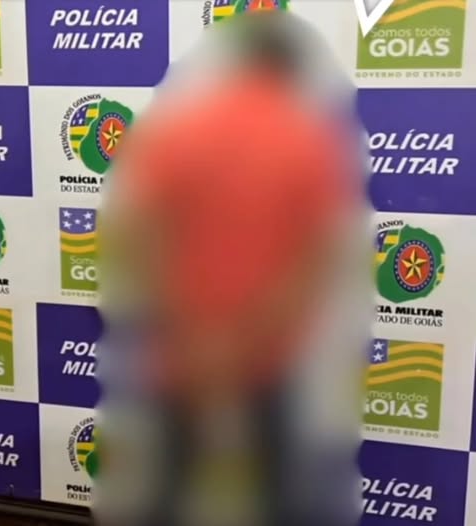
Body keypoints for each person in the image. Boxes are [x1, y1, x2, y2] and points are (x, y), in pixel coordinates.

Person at [94, 9, 372, 526]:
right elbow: (317, 257)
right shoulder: (310, 140)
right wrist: (245, 339)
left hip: (182, 346)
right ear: (290, 70)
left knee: (165, 485)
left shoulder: (178, 130)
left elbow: (141, 231)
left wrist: (192, 332)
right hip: (269, 351)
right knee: (283, 490)